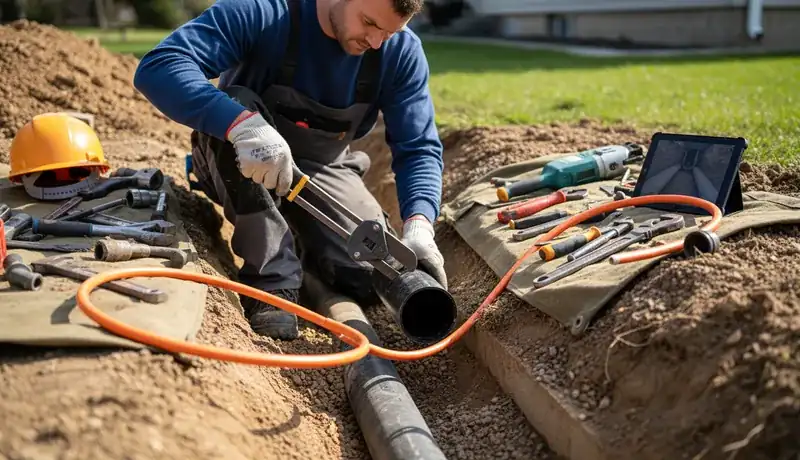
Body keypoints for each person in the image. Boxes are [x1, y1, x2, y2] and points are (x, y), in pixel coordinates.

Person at [133, 0, 448, 340]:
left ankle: (305, 248)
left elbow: (417, 147)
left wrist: (419, 226)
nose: (375, 42)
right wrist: (241, 126)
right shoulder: (264, 12)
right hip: (242, 156)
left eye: (389, 32)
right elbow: (160, 66)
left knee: (364, 275)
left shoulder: (400, 51)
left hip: (322, 168)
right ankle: (273, 284)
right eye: (369, 23)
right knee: (235, 101)